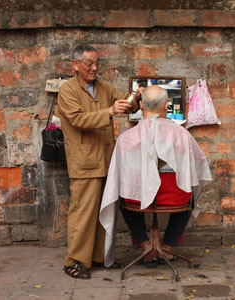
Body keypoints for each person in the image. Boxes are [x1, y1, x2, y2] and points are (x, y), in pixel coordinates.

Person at [100, 85, 212, 267]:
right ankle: (167, 247)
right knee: (188, 195)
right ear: (167, 106)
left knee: (125, 197)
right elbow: (197, 168)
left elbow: (117, 178)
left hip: (137, 200)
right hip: (174, 199)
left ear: (141, 105)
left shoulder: (126, 138)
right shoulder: (181, 135)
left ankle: (145, 246)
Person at [56, 44, 140, 279]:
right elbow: (79, 120)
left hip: (106, 158)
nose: (94, 68)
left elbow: (124, 101)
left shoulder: (102, 87)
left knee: (105, 212)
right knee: (83, 213)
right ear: (75, 65)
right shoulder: (68, 91)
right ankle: (75, 261)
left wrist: (135, 97)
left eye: (97, 64)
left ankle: (100, 257)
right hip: (84, 162)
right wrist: (110, 112)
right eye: (89, 64)